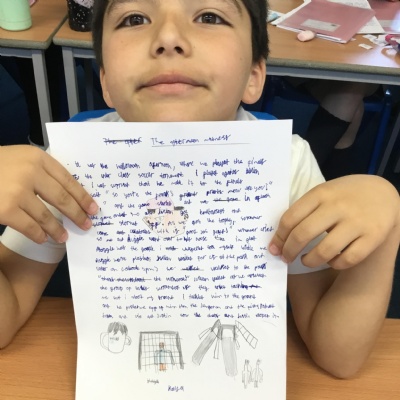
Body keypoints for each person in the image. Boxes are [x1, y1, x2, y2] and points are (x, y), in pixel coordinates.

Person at [0, 0, 399, 381]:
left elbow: (337, 356)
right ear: (105, 82)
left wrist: (387, 227)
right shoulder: (70, 165)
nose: (168, 38)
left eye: (209, 16)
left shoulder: (287, 163)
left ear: (254, 76)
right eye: (134, 19)